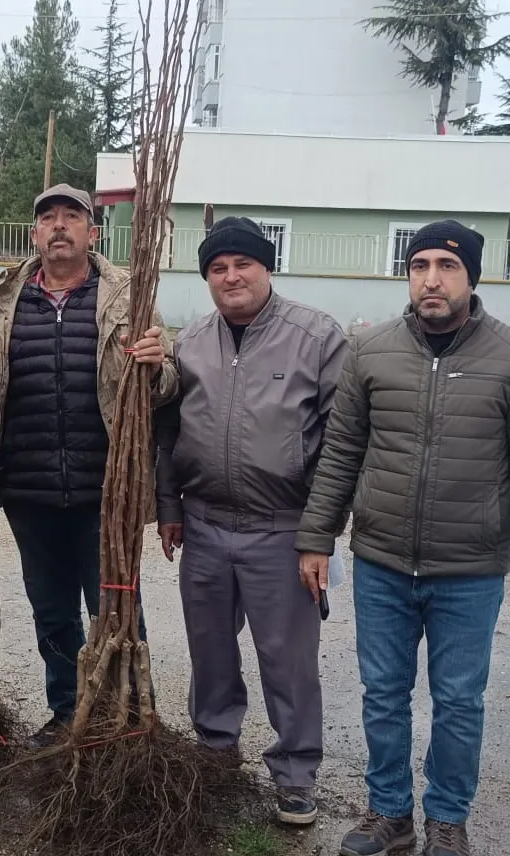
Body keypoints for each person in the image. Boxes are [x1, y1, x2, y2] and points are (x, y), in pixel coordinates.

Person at [298, 221, 509, 856]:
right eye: (420, 265)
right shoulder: (372, 350)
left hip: (469, 570)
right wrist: (317, 536)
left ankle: (447, 818)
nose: (431, 279)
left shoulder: (505, 354)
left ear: (472, 276)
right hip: (382, 562)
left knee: (459, 700)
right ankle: (390, 813)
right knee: (384, 694)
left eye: (447, 265)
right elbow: (341, 451)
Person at [0, 183, 175, 746]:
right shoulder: (7, 299)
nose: (58, 225)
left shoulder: (127, 296)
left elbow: (167, 386)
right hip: (28, 487)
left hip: (106, 487)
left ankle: (124, 717)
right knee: (51, 611)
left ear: (91, 233)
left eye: (71, 217)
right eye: (47, 217)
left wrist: (156, 366)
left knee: (115, 605)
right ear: (34, 234)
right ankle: (66, 713)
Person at [155, 216, 347, 826]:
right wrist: (169, 508)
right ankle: (216, 751)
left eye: (243, 264)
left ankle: (295, 773)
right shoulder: (190, 342)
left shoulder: (316, 338)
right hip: (206, 524)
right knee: (210, 650)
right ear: (206, 277)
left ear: (267, 267)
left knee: (287, 659)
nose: (231, 276)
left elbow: (342, 444)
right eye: (218, 268)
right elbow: (168, 433)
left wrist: (318, 534)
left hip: (282, 528)